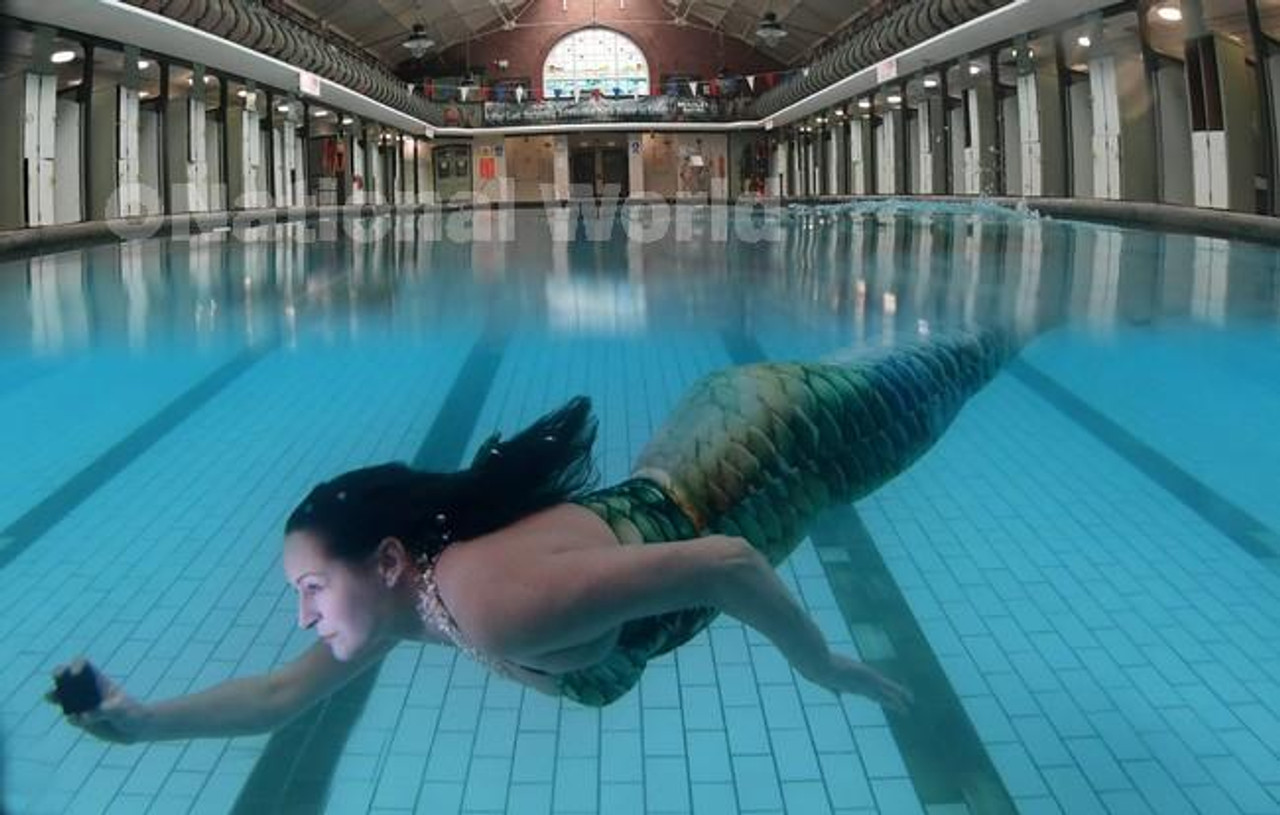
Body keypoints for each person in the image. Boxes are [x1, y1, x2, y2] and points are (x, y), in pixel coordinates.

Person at [49, 329, 1016, 744]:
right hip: (733, 432)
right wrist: (141, 723)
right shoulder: (413, 608)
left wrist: (822, 666)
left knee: (976, 356)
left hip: (774, 447)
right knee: (962, 356)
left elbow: (726, 561)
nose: (299, 613)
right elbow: (271, 697)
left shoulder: (486, 606)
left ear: (386, 562)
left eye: (308, 586)